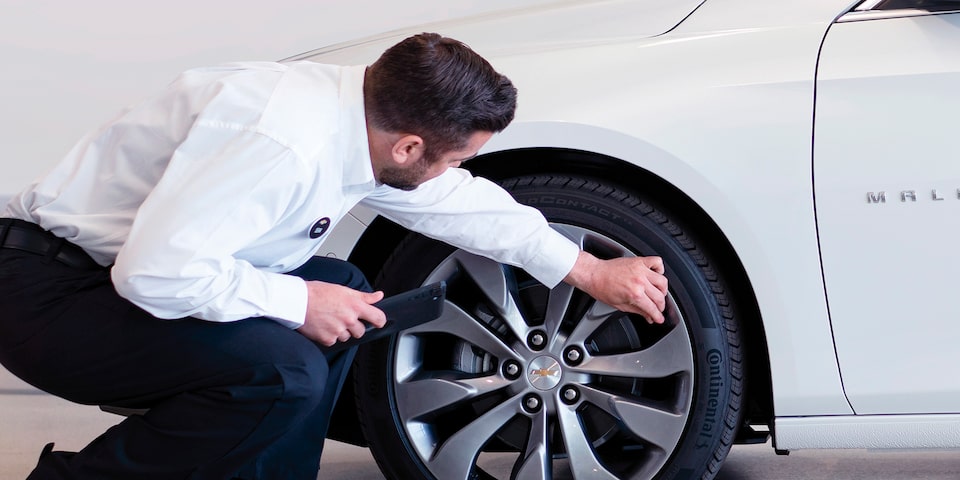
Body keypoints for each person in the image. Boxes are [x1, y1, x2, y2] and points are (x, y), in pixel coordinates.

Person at [0, 32, 667, 479]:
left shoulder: (351, 116)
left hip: (99, 282)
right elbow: (154, 274)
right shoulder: (285, 141)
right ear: (409, 146)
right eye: (457, 155)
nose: (458, 170)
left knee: (345, 285)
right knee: (286, 370)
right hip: (48, 297)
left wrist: (586, 269)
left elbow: (457, 204)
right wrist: (299, 304)